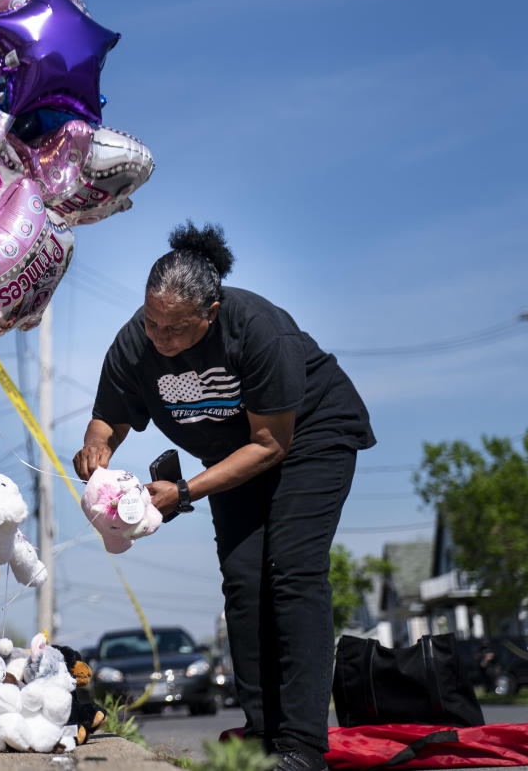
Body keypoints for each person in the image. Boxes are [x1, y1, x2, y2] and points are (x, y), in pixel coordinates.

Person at [73, 222, 374, 771]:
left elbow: (270, 443)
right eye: (151, 322)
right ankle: (264, 736)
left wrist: (183, 491)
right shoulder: (135, 343)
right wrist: (97, 452)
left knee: (292, 569)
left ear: (209, 313)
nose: (158, 339)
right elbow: (107, 421)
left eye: (173, 329)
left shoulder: (257, 330)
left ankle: (303, 748)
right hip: (233, 457)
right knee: (243, 580)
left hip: (307, 436)